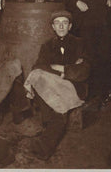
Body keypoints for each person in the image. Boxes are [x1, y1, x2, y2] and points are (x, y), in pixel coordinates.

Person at [23, 10, 90, 160]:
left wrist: (58, 68)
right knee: (38, 78)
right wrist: (67, 69)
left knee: (58, 108)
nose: (61, 26)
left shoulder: (79, 43)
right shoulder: (47, 45)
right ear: (52, 26)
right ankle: (48, 131)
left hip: (72, 86)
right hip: (54, 84)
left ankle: (44, 144)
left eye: (64, 23)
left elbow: (83, 71)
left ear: (70, 26)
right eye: (57, 23)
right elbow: (38, 66)